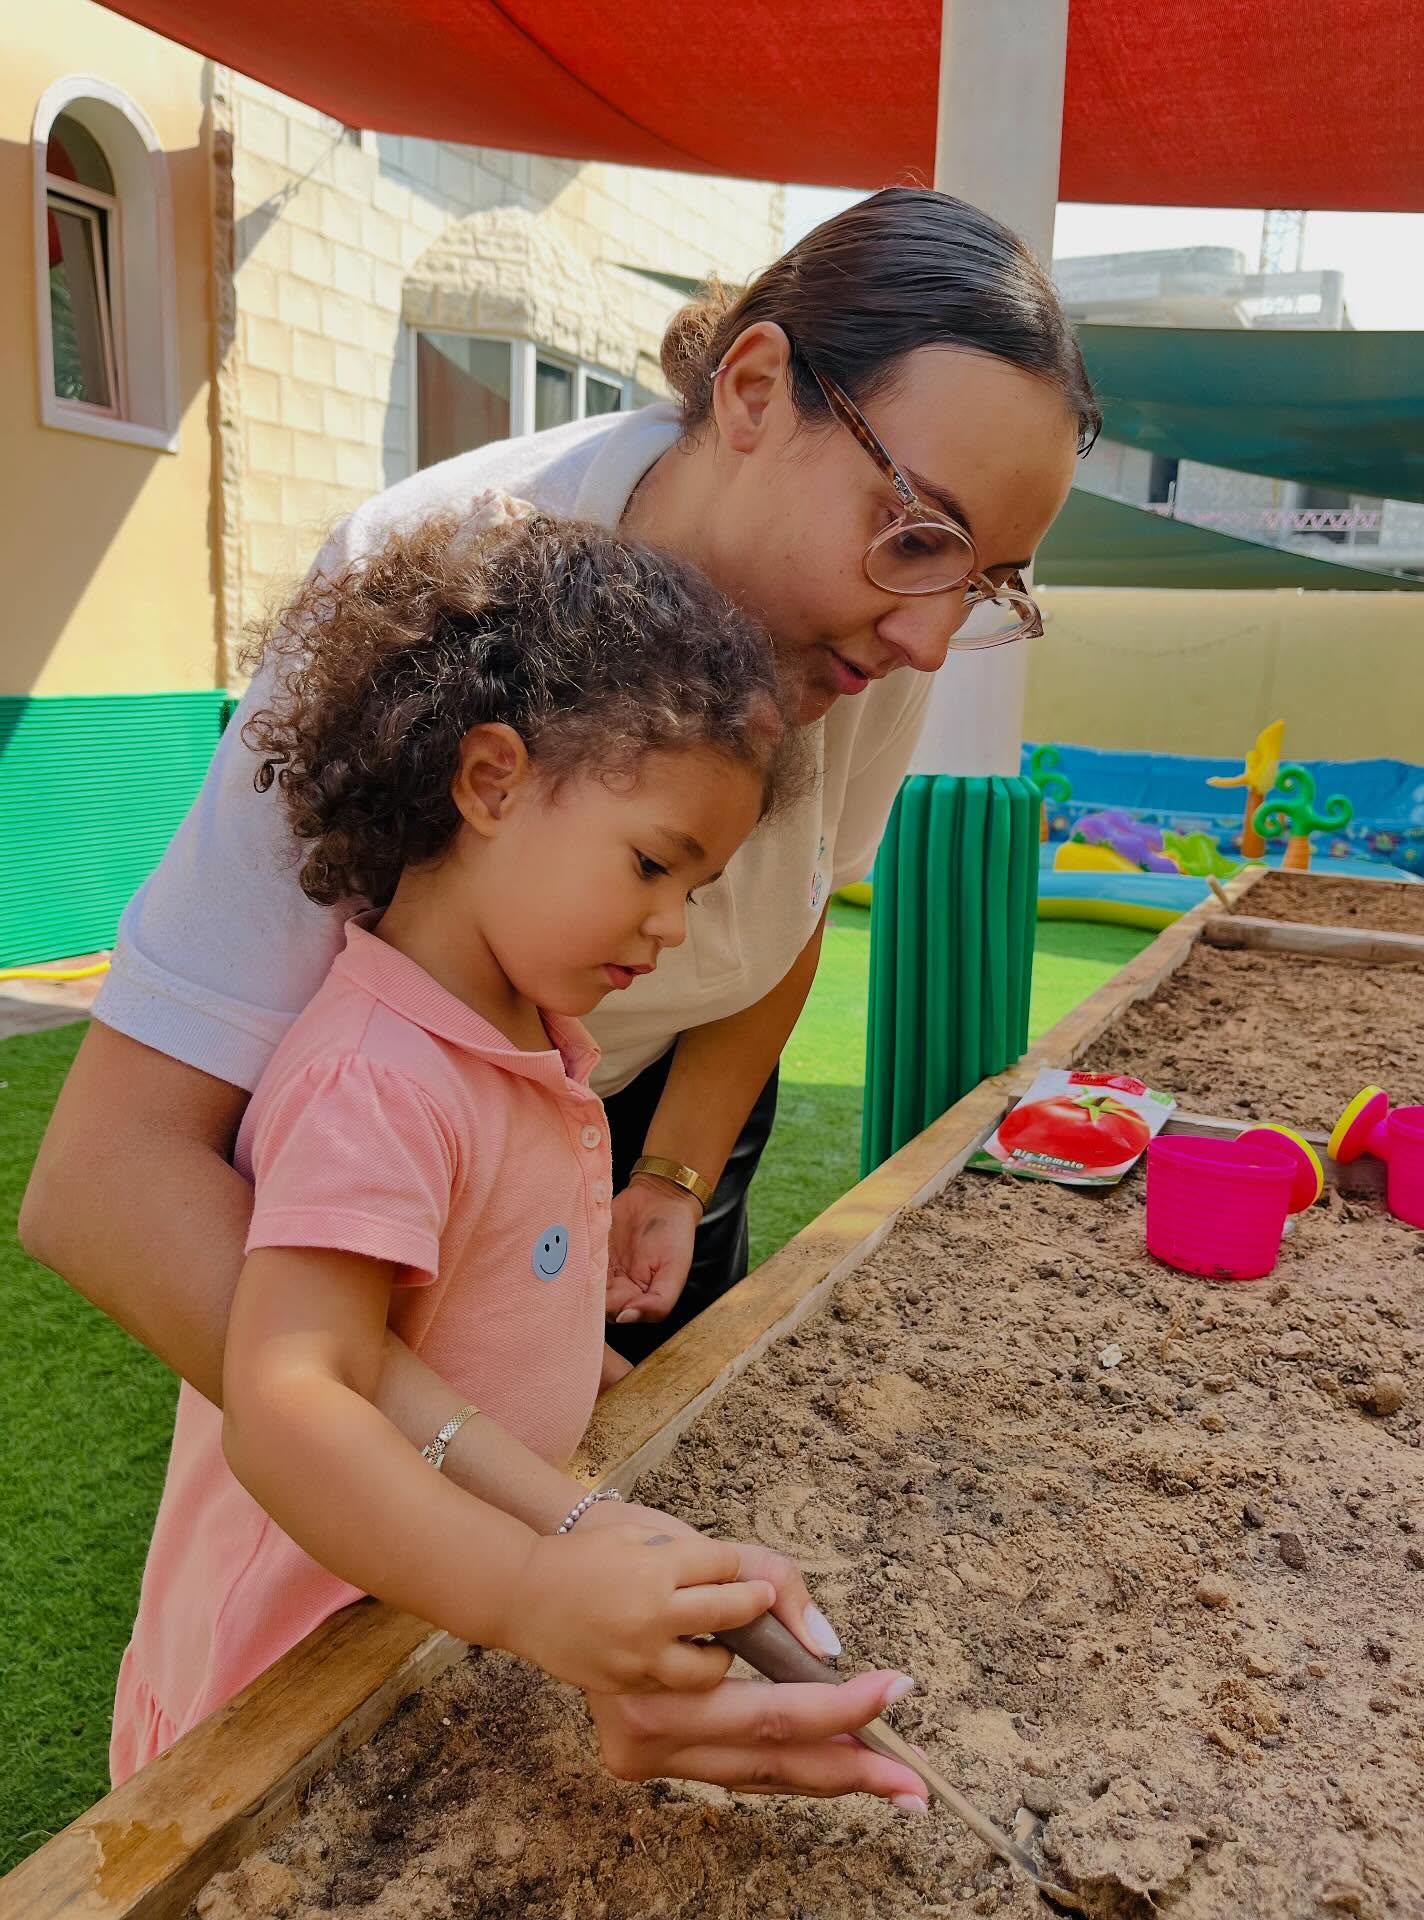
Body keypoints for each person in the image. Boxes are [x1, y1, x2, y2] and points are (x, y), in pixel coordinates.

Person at [25, 187, 1098, 1795]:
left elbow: (792, 914)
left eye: (988, 580)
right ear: (753, 391)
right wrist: (514, 1518)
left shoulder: (863, 639)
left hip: (565, 1149)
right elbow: (114, 1189)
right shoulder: (435, 587)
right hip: (382, 1230)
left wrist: (665, 1180)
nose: (935, 638)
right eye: (919, 534)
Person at [110, 503, 922, 1797]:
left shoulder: (526, 1046)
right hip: (276, 1687)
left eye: (696, 889)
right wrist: (536, 1587)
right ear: (491, 782)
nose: (672, 925)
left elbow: (445, 1328)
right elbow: (291, 1400)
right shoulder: (380, 1081)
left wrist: (564, 1454)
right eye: (652, 864)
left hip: (422, 1629)